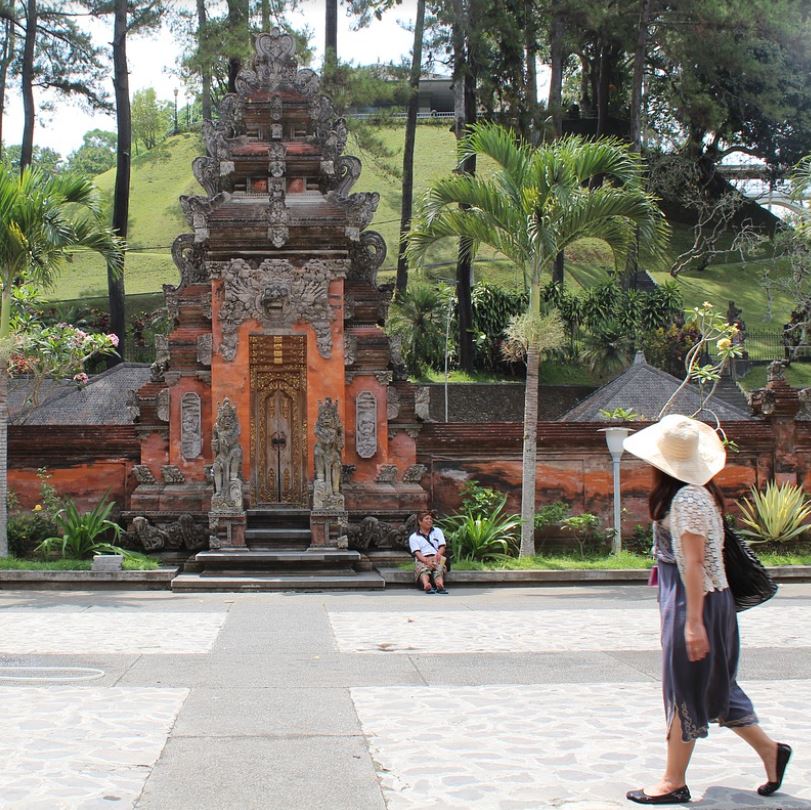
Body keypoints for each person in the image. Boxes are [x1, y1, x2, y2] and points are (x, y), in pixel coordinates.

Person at [622, 414, 791, 805]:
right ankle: (771, 752)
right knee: (713, 687)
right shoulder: (691, 494)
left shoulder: (688, 499)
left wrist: (693, 624)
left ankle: (673, 781)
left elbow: (695, 564)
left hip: (697, 603)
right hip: (695, 602)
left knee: (686, 686)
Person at [408, 511, 448, 594]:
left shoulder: (437, 531)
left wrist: (438, 555)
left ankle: (439, 584)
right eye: (427, 519)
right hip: (423, 558)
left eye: (430, 519)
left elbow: (442, 546)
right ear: (420, 521)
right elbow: (417, 553)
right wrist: (426, 561)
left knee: (440, 568)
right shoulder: (414, 537)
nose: (430, 520)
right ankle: (426, 585)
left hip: (438, 556)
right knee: (423, 569)